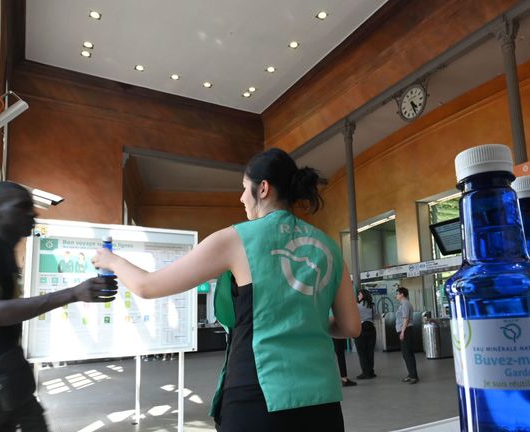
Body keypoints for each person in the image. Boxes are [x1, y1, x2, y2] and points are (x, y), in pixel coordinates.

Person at [92, 148, 360, 431]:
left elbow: (147, 286)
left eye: (245, 188)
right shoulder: (329, 247)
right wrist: (307, 320)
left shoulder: (237, 239)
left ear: (264, 188)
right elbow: (351, 327)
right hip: (323, 404)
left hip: (258, 398)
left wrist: (112, 260)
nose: (242, 197)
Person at [0, 181, 118, 432]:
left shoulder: (1, 252)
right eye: (22, 207)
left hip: (3, 386)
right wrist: (72, 293)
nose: (33, 213)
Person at [395, 287, 418, 384]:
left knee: (407, 354)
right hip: (405, 330)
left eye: (397, 293)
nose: (396, 295)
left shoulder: (405, 304)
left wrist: (403, 331)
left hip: (406, 330)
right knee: (407, 354)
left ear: (402, 294)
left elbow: (406, 318)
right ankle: (411, 373)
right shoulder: (404, 303)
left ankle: (413, 376)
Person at [354, 288, 376, 379]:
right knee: (370, 352)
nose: (358, 296)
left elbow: (354, 318)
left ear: (363, 295)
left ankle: (365, 373)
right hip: (371, 329)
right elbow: (374, 316)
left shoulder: (357, 306)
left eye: (359, 294)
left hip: (361, 329)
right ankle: (371, 372)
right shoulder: (372, 306)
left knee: (362, 352)